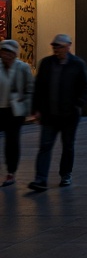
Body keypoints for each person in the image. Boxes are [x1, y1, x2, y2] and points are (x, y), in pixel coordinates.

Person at [28, 33, 87, 191]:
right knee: (45, 146)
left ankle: (65, 175)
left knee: (68, 146)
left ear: (68, 46)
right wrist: (35, 109)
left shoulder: (77, 64)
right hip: (49, 114)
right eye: (54, 46)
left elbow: (86, 86)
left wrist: (77, 104)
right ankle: (40, 179)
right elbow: (39, 88)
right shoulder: (46, 63)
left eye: (59, 46)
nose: (56, 49)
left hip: (69, 115)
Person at [0, 39, 34, 187]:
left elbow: (30, 88)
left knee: (11, 142)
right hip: (0, 109)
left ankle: (11, 172)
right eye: (3, 51)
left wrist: (27, 106)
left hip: (15, 111)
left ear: (14, 53)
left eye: (8, 52)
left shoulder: (23, 67)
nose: (5, 55)